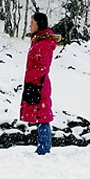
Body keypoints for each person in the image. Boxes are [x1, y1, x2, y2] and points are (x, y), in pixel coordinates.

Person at [20, 11, 61, 155]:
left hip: (39, 84)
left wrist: (30, 78)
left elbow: (43, 66)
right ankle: (42, 146)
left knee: (42, 115)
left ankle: (44, 147)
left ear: (39, 24)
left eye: (32, 23)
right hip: (36, 83)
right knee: (40, 115)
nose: (30, 26)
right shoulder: (38, 42)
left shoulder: (43, 44)